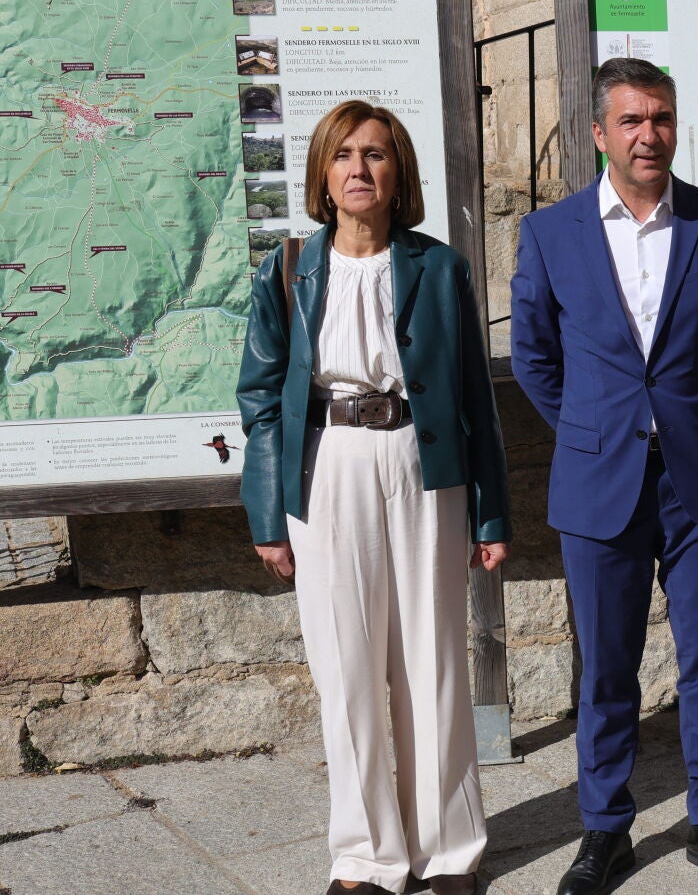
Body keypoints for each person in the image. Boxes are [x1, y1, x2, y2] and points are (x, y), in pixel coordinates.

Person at [237, 100, 511, 895]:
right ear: (323, 174)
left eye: (376, 154)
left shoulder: (441, 268)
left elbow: (475, 399)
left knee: (434, 658)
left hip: (425, 463)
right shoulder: (288, 269)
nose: (359, 169)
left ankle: (448, 848)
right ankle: (364, 856)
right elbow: (260, 399)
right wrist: (267, 514)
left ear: (400, 173)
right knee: (346, 666)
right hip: (328, 464)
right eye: (344, 155)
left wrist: (491, 511)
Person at [510, 57, 698, 895]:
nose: (648, 134)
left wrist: (693, 421)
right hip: (601, 480)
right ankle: (605, 828)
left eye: (660, 118)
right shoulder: (552, 233)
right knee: (607, 665)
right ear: (599, 133)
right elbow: (533, 355)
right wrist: (595, 431)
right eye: (630, 120)